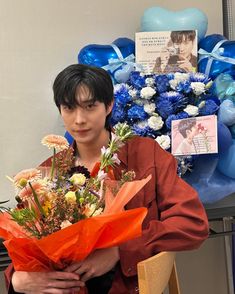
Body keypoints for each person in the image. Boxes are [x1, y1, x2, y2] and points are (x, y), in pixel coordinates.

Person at [5, 64, 209, 294]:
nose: (79, 119)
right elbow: (29, 246)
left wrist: (120, 251)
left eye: (90, 106)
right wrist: (17, 278)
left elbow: (192, 224)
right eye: (69, 108)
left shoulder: (145, 155)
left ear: (109, 105)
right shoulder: (49, 172)